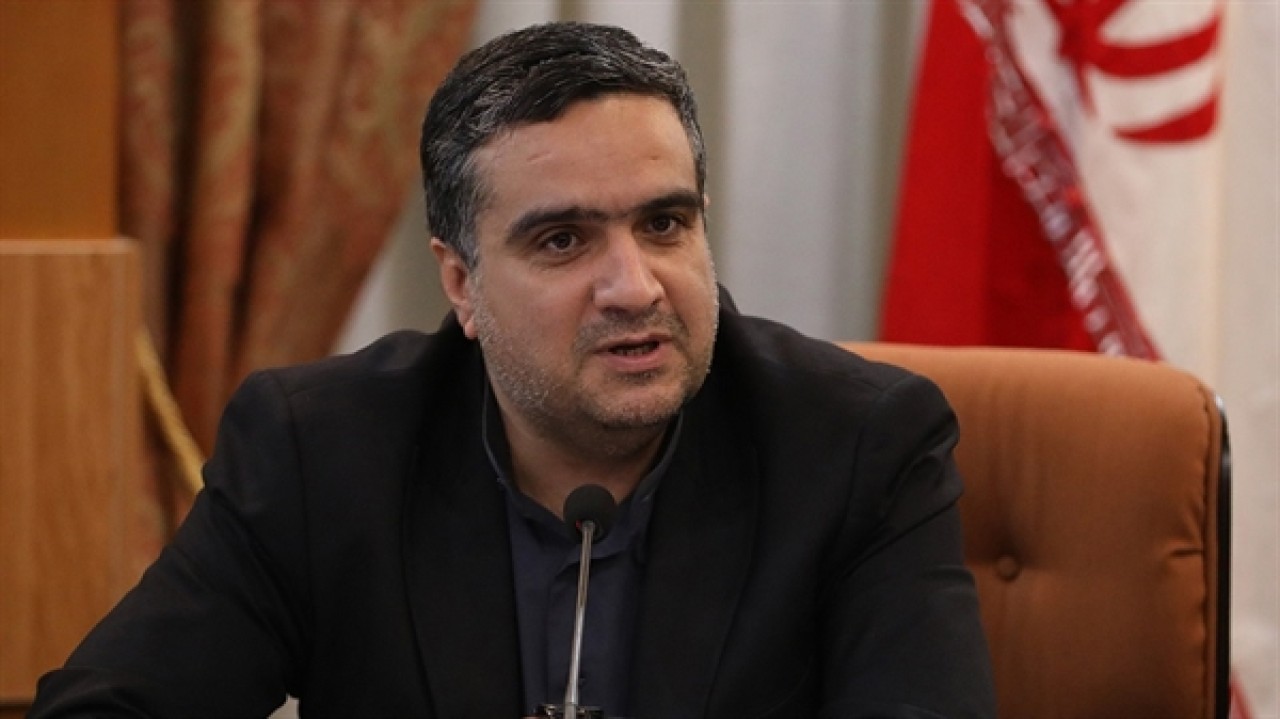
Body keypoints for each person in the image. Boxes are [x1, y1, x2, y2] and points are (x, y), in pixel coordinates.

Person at [32, 21, 994, 718]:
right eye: (563, 240)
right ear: (460, 281)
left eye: (664, 223)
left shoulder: (857, 444)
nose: (634, 286)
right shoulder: (321, 450)